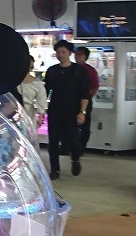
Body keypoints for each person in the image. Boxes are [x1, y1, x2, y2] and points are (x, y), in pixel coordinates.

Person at [44, 40, 90, 179]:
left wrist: (82, 112)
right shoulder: (52, 71)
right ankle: (55, 169)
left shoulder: (79, 71)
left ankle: (75, 159)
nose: (60, 55)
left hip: (72, 111)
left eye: (63, 52)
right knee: (53, 141)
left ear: (70, 53)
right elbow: (46, 91)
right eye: (58, 52)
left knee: (72, 140)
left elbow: (84, 94)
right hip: (55, 110)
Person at [75, 46, 100, 151]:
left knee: (84, 125)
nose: (77, 56)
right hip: (72, 101)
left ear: (85, 57)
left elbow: (95, 86)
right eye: (76, 54)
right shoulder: (72, 68)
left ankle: (81, 147)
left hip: (85, 101)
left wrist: (87, 98)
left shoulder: (90, 70)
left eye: (80, 55)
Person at [16, 56, 47, 129]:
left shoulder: (37, 84)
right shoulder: (13, 81)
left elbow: (41, 100)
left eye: (31, 66)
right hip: (14, 112)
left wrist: (40, 116)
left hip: (28, 113)